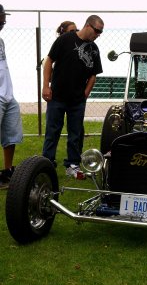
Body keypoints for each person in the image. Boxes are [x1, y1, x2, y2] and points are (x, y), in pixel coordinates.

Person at [42, 15, 103, 179]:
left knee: (75, 134)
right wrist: (46, 86)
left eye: (101, 32)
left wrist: (85, 94)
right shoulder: (65, 40)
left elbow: (93, 75)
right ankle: (46, 164)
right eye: (97, 30)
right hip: (57, 97)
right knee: (52, 132)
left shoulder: (94, 49)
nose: (98, 34)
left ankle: (73, 166)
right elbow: (49, 62)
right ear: (88, 26)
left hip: (77, 101)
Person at [0, 4, 23, 189]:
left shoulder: (1, 41)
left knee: (11, 136)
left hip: (8, 96)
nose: (4, 21)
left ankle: (7, 172)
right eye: (2, 17)